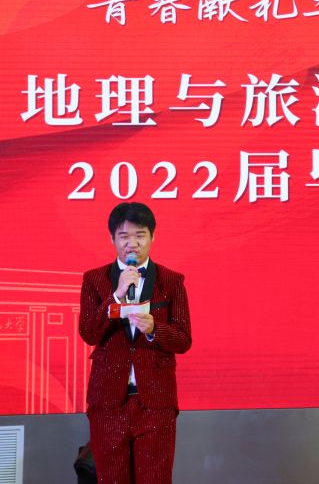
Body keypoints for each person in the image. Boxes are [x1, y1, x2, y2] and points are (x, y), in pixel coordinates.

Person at [79, 202, 192, 484]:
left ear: (152, 236)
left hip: (155, 402)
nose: (132, 244)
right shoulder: (95, 280)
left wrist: (154, 329)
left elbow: (183, 339)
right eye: (124, 236)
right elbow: (89, 333)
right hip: (108, 403)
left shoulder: (171, 282)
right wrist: (116, 296)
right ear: (112, 239)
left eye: (140, 235)